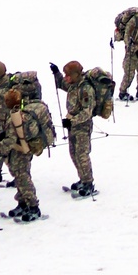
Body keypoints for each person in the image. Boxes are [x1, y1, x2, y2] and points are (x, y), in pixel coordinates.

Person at [50, 61, 95, 196]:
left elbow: (87, 112)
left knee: (82, 154)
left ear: (76, 75)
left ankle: (88, 183)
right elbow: (62, 84)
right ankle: (82, 178)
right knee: (73, 153)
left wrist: (73, 121)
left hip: (82, 126)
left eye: (68, 75)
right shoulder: (73, 85)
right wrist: (57, 73)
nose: (66, 78)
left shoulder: (86, 89)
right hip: (73, 126)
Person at [0, 88, 41, 222]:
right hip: (21, 151)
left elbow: (10, 140)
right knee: (20, 177)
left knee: (23, 178)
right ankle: (23, 203)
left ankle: (33, 207)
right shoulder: (19, 112)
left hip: (19, 152)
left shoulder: (16, 116)